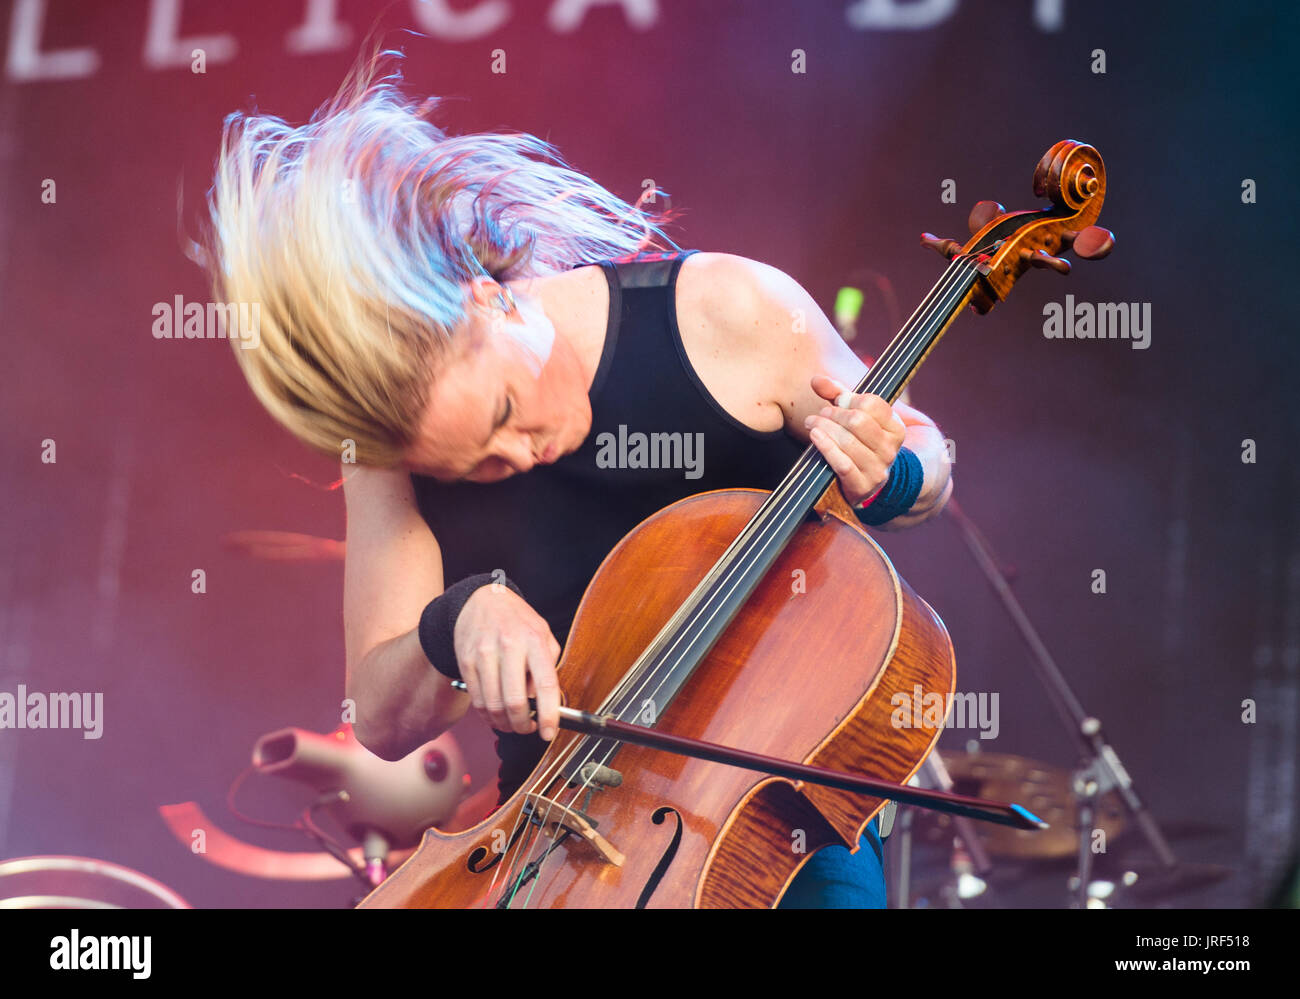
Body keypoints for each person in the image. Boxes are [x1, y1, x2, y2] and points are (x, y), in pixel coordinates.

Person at [204, 50, 953, 908]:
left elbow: (927, 458)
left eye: (502, 415)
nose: (514, 460)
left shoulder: (727, 308)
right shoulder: (382, 452)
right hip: (552, 851)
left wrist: (890, 471)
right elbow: (380, 717)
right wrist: (455, 618)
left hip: (770, 822)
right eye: (472, 469)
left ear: (491, 298)